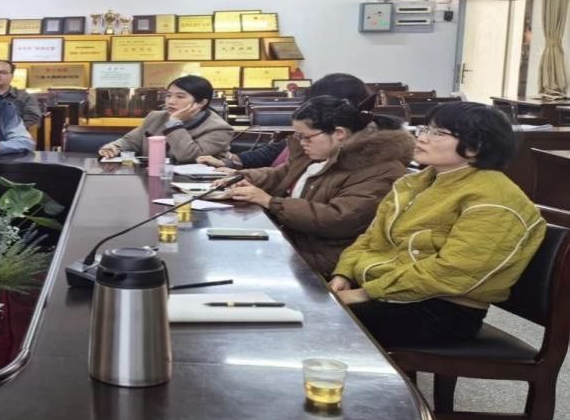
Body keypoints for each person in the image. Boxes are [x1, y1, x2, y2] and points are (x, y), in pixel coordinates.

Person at [329, 102, 546, 348]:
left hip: (442, 310)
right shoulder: (415, 183)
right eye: (425, 129)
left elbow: (454, 271)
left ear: (476, 146)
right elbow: (371, 238)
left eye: (438, 133)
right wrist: (344, 274)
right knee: (308, 302)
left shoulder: (496, 200)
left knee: (319, 321)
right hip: (388, 289)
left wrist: (363, 294)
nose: (422, 137)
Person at [225, 96, 415, 276]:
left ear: (339, 133)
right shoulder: (319, 153)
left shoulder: (380, 168)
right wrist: (241, 178)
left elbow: (338, 219)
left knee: (236, 263)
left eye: (307, 137)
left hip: (328, 257)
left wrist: (270, 202)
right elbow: (281, 175)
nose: (302, 143)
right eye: (299, 136)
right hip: (295, 241)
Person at [198, 73, 381, 170]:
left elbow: (332, 214)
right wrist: (232, 162)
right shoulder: (318, 136)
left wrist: (269, 201)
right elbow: (279, 153)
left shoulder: (356, 151)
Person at [98, 75, 233, 163]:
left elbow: (188, 156)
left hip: (194, 186)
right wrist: (114, 147)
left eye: (180, 96)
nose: (170, 101)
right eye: (168, 95)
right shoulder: (156, 117)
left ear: (202, 102)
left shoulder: (219, 129)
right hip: (152, 177)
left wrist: (174, 123)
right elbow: (131, 141)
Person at [0, 60, 43, 129]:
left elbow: (33, 118)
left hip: (15, 133)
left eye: (3, 72)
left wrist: (11, 130)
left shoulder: (25, 97)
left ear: (12, 76)